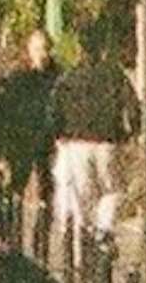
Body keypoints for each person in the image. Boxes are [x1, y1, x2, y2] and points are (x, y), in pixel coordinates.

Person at [46, 39, 130, 267]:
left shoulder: (69, 77)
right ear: (102, 49)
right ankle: (104, 230)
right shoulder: (115, 75)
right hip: (107, 142)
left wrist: (58, 136)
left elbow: (53, 111)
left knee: (81, 196)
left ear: (79, 50)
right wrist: (129, 133)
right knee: (112, 189)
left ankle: (80, 248)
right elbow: (131, 106)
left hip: (76, 143)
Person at [0, 32, 60, 243]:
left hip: (47, 143)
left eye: (45, 48)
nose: (42, 54)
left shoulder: (57, 77)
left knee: (46, 195)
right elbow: (5, 115)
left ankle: (41, 241)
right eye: (37, 49)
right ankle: (13, 239)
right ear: (28, 51)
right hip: (22, 142)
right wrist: (4, 151)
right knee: (16, 192)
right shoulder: (18, 79)